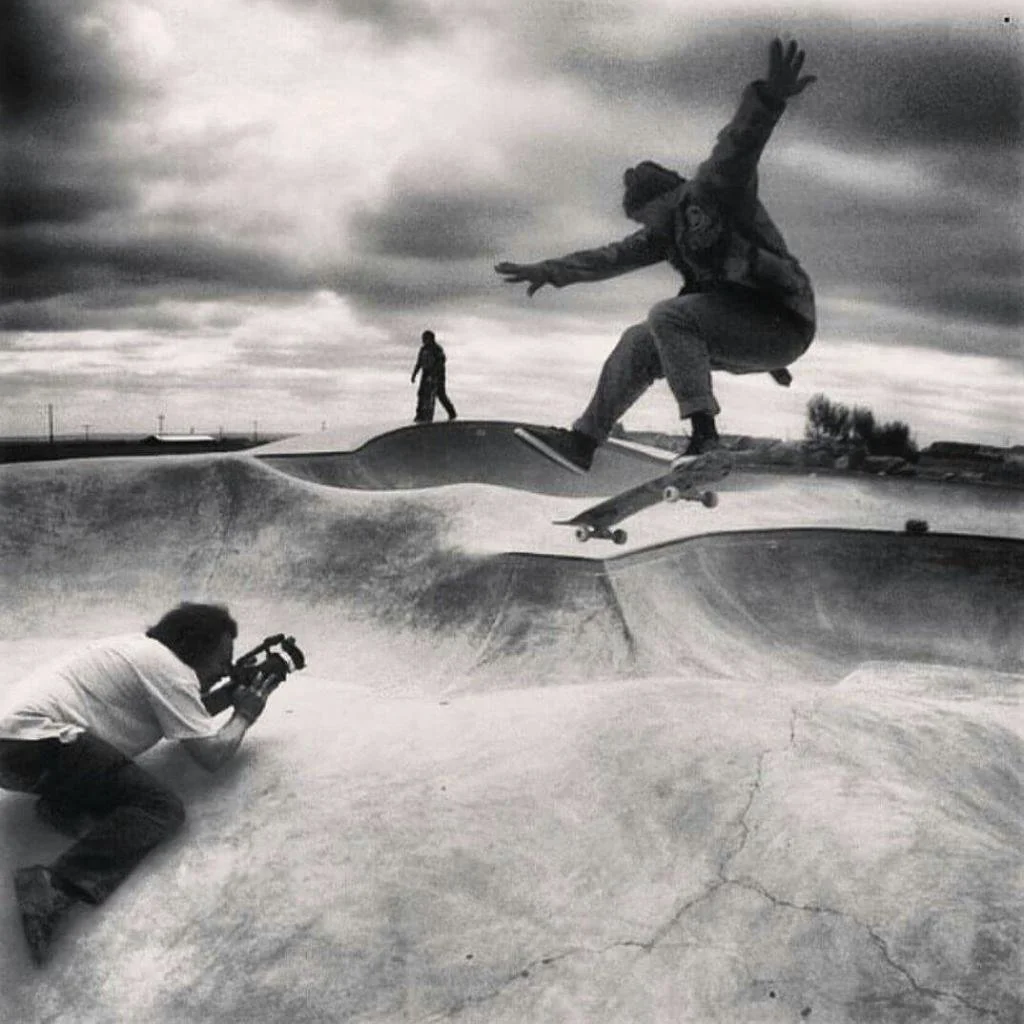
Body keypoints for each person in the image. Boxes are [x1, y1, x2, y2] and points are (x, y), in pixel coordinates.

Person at [495, 38, 817, 473]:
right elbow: (609, 257)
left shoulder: (713, 189)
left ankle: (705, 437)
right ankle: (583, 441)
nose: (648, 232)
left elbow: (737, 144)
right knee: (639, 341)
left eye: (648, 218)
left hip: (785, 322)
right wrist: (549, 271)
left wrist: (768, 98)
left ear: (667, 197)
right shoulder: (665, 235)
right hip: (746, 332)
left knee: (668, 314)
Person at [0, 603, 276, 966]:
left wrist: (229, 697)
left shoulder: (146, 656)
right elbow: (210, 755)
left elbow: (182, 717)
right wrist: (244, 715)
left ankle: (63, 803)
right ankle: (54, 886)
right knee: (161, 809)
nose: (223, 671)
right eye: (221, 662)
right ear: (194, 648)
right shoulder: (170, 670)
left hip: (19, 751)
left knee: (120, 791)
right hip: (45, 740)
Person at [411, 330, 458, 423]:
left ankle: (451, 413)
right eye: (423, 338)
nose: (423, 340)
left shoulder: (437, 349)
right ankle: (420, 415)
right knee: (421, 393)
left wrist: (434, 376)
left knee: (439, 394)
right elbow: (419, 363)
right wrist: (414, 374)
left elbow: (441, 362)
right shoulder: (423, 349)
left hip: (438, 375)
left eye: (425, 338)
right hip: (426, 373)